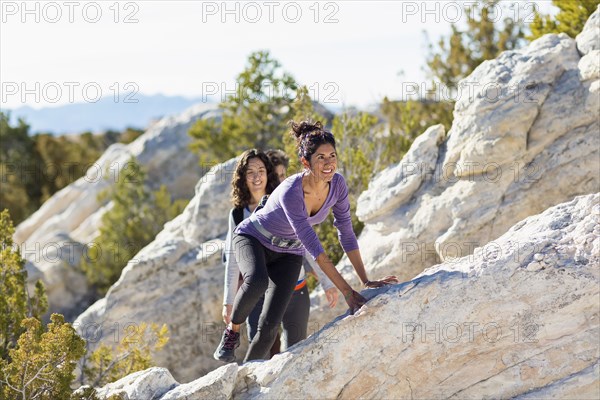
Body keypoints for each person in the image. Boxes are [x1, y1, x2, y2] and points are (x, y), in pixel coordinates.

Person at [214, 121, 398, 363]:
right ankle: (232, 333)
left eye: (332, 155)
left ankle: (247, 378)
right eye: (320, 157)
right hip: (252, 237)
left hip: (288, 252)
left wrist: (365, 280)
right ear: (305, 162)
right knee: (257, 280)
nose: (329, 162)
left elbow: (346, 233)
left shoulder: (338, 185)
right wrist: (347, 293)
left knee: (269, 329)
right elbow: (317, 251)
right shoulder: (292, 191)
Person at [219, 148, 337, 362]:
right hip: (258, 294)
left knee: (295, 351)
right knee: (261, 346)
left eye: (261, 171)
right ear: (242, 177)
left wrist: (327, 282)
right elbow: (233, 259)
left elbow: (307, 243)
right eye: (250, 172)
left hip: (295, 289)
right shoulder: (238, 214)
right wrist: (229, 301)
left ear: (268, 174)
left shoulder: (284, 200)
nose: (256, 177)